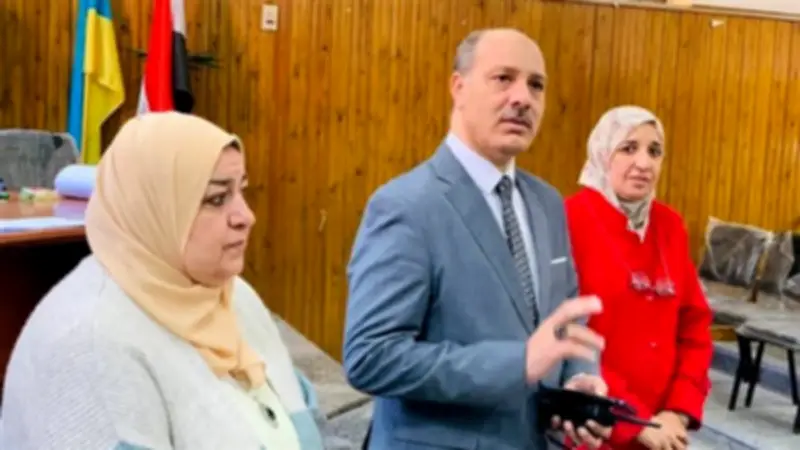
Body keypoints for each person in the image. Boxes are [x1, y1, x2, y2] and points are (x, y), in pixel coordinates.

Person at [343, 28, 613, 450]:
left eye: (536, 85)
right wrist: (517, 364)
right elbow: (371, 357)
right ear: (459, 87)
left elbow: (566, 317)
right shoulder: (406, 205)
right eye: (503, 78)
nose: (523, 98)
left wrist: (578, 378)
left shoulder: (547, 203)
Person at [0, 112, 325, 450]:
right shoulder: (87, 344)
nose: (246, 216)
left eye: (241, 191)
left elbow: (306, 427)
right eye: (216, 199)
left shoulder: (229, 293)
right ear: (153, 209)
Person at [564, 106, 713, 450]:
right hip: (595, 426)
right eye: (628, 148)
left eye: (654, 151)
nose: (644, 163)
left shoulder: (670, 225)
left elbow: (694, 326)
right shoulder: (568, 219)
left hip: (664, 430)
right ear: (602, 152)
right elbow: (566, 333)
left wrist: (678, 411)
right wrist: (632, 419)